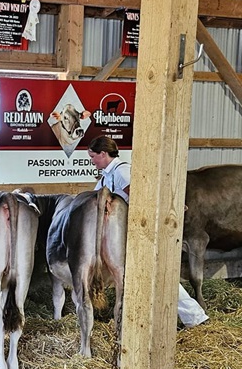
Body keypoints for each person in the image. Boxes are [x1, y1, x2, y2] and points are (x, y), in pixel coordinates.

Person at [87, 136, 209, 329]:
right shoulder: (107, 175)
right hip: (122, 234)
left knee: (158, 274)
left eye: (93, 156)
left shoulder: (122, 172)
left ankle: (195, 316)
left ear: (103, 154)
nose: (92, 161)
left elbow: (141, 198)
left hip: (138, 231)